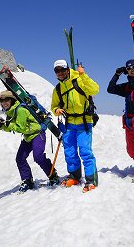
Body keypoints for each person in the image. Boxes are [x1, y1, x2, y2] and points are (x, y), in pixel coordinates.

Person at [0, 90, 60, 193]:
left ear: (11, 100)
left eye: (6, 99)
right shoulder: (11, 111)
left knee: (38, 156)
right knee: (20, 158)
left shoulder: (20, 110)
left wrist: (6, 124)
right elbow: (12, 127)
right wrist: (2, 125)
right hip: (28, 136)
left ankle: (53, 175)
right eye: (2, 100)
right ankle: (27, 180)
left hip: (38, 134)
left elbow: (21, 128)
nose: (4, 102)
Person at [51, 59, 99, 193]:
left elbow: (95, 89)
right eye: (57, 71)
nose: (59, 73)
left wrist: (83, 75)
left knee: (85, 151)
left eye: (62, 70)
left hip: (84, 121)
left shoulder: (79, 80)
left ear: (67, 69)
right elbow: (54, 106)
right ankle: (75, 176)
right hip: (69, 123)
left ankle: (91, 180)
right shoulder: (58, 88)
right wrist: (56, 110)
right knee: (70, 152)